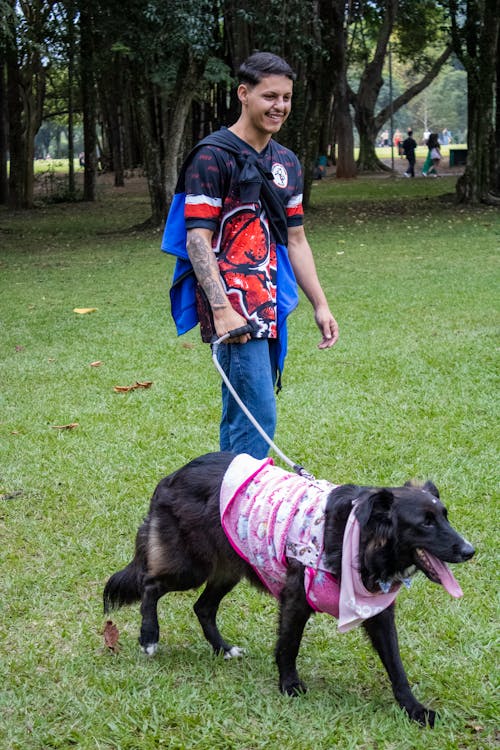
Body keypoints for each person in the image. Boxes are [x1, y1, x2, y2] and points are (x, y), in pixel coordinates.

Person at [164, 51, 338, 459]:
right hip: (234, 306)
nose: (280, 106)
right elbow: (196, 241)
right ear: (244, 94)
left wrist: (321, 304)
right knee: (256, 415)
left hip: (271, 301)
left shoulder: (287, 162)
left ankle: (222, 510)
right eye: (269, 96)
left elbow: (296, 240)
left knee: (246, 412)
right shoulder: (212, 156)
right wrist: (222, 308)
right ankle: (241, 516)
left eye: (287, 97)